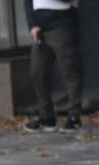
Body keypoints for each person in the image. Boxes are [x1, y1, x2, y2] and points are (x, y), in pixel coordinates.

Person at [23, 0, 82, 133]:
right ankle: (47, 117)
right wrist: (32, 24)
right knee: (36, 72)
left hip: (62, 25)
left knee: (70, 70)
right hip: (40, 29)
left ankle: (74, 116)